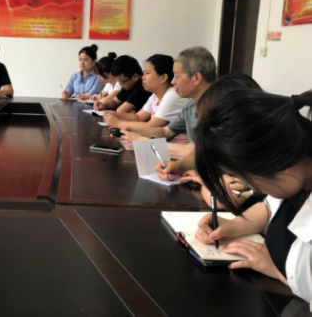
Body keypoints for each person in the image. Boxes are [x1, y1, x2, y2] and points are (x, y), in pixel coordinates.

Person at [193, 89, 312, 304]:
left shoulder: (292, 177)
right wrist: (235, 225)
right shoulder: (296, 176)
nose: (248, 185)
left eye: (243, 177)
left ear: (273, 163)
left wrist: (280, 272)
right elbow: (269, 207)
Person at [155, 73, 264, 209]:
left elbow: (223, 199)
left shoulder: (259, 158)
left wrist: (208, 182)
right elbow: (203, 155)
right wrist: (179, 165)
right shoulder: (229, 144)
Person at [118, 46, 216, 159]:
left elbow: (195, 151)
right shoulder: (191, 104)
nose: (173, 82)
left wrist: (141, 141)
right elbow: (166, 132)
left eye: (177, 76)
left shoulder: (220, 106)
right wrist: (133, 131)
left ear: (196, 78)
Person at [103, 54, 188, 131]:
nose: (143, 77)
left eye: (147, 73)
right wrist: (114, 114)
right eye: (144, 73)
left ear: (163, 78)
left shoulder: (172, 95)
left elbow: (150, 127)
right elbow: (138, 117)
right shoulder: (155, 95)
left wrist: (118, 123)